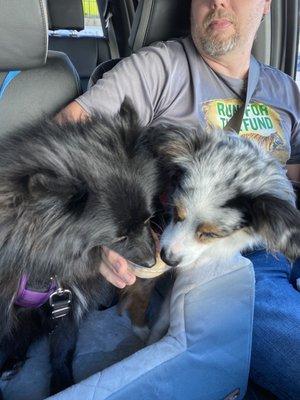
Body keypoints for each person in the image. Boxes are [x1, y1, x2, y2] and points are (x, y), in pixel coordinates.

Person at [57, 0, 300, 398]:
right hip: (226, 264)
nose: (218, 1)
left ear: (266, 5)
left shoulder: (285, 88)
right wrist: (92, 230)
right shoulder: (161, 67)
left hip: (283, 232)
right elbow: (65, 139)